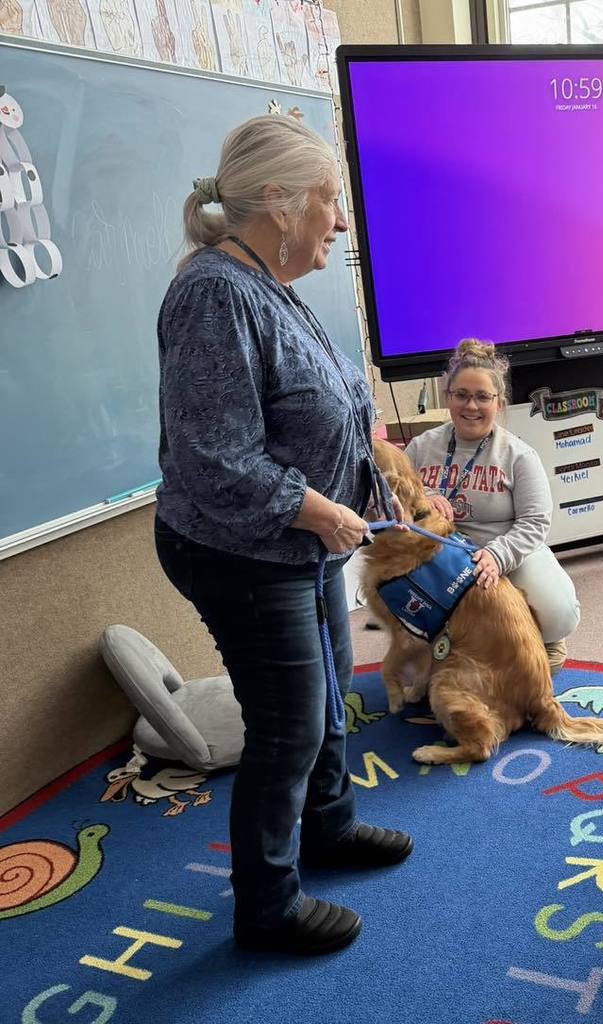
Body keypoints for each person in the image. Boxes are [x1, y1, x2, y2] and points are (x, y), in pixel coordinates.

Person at [153, 114, 411, 956]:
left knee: (331, 691)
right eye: (330, 201)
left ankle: (327, 829)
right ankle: (266, 906)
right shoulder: (214, 293)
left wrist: (374, 493)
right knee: (289, 726)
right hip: (239, 550)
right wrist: (322, 511)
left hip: (299, 543)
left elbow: (324, 412)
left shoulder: (269, 283)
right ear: (279, 200)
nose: (339, 222)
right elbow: (213, 459)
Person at [403, 339, 580, 674]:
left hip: (506, 551)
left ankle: (544, 641)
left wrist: (498, 556)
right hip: (441, 560)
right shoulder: (419, 448)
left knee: (558, 614)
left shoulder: (519, 454)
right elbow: (390, 500)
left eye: (483, 397)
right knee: (417, 675)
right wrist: (420, 500)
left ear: (499, 403)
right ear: (448, 397)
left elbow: (535, 522)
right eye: (462, 395)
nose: (471, 406)